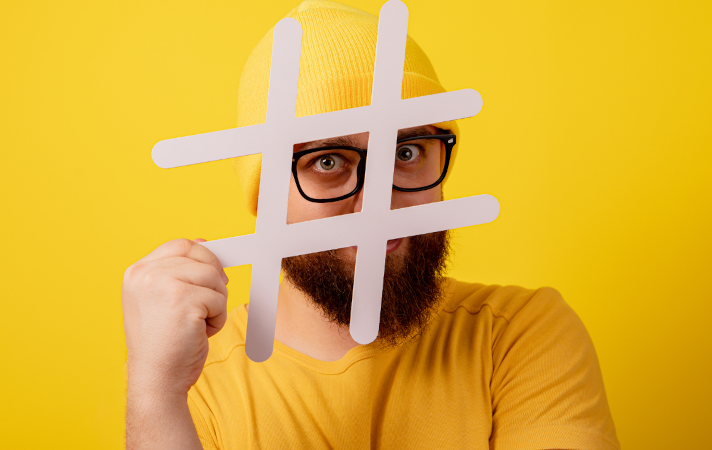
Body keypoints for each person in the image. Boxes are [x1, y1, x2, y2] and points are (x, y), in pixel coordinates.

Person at [122, 1, 620, 449]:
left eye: (405, 151)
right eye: (327, 160)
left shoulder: (517, 335)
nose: (378, 199)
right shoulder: (191, 382)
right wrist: (153, 396)